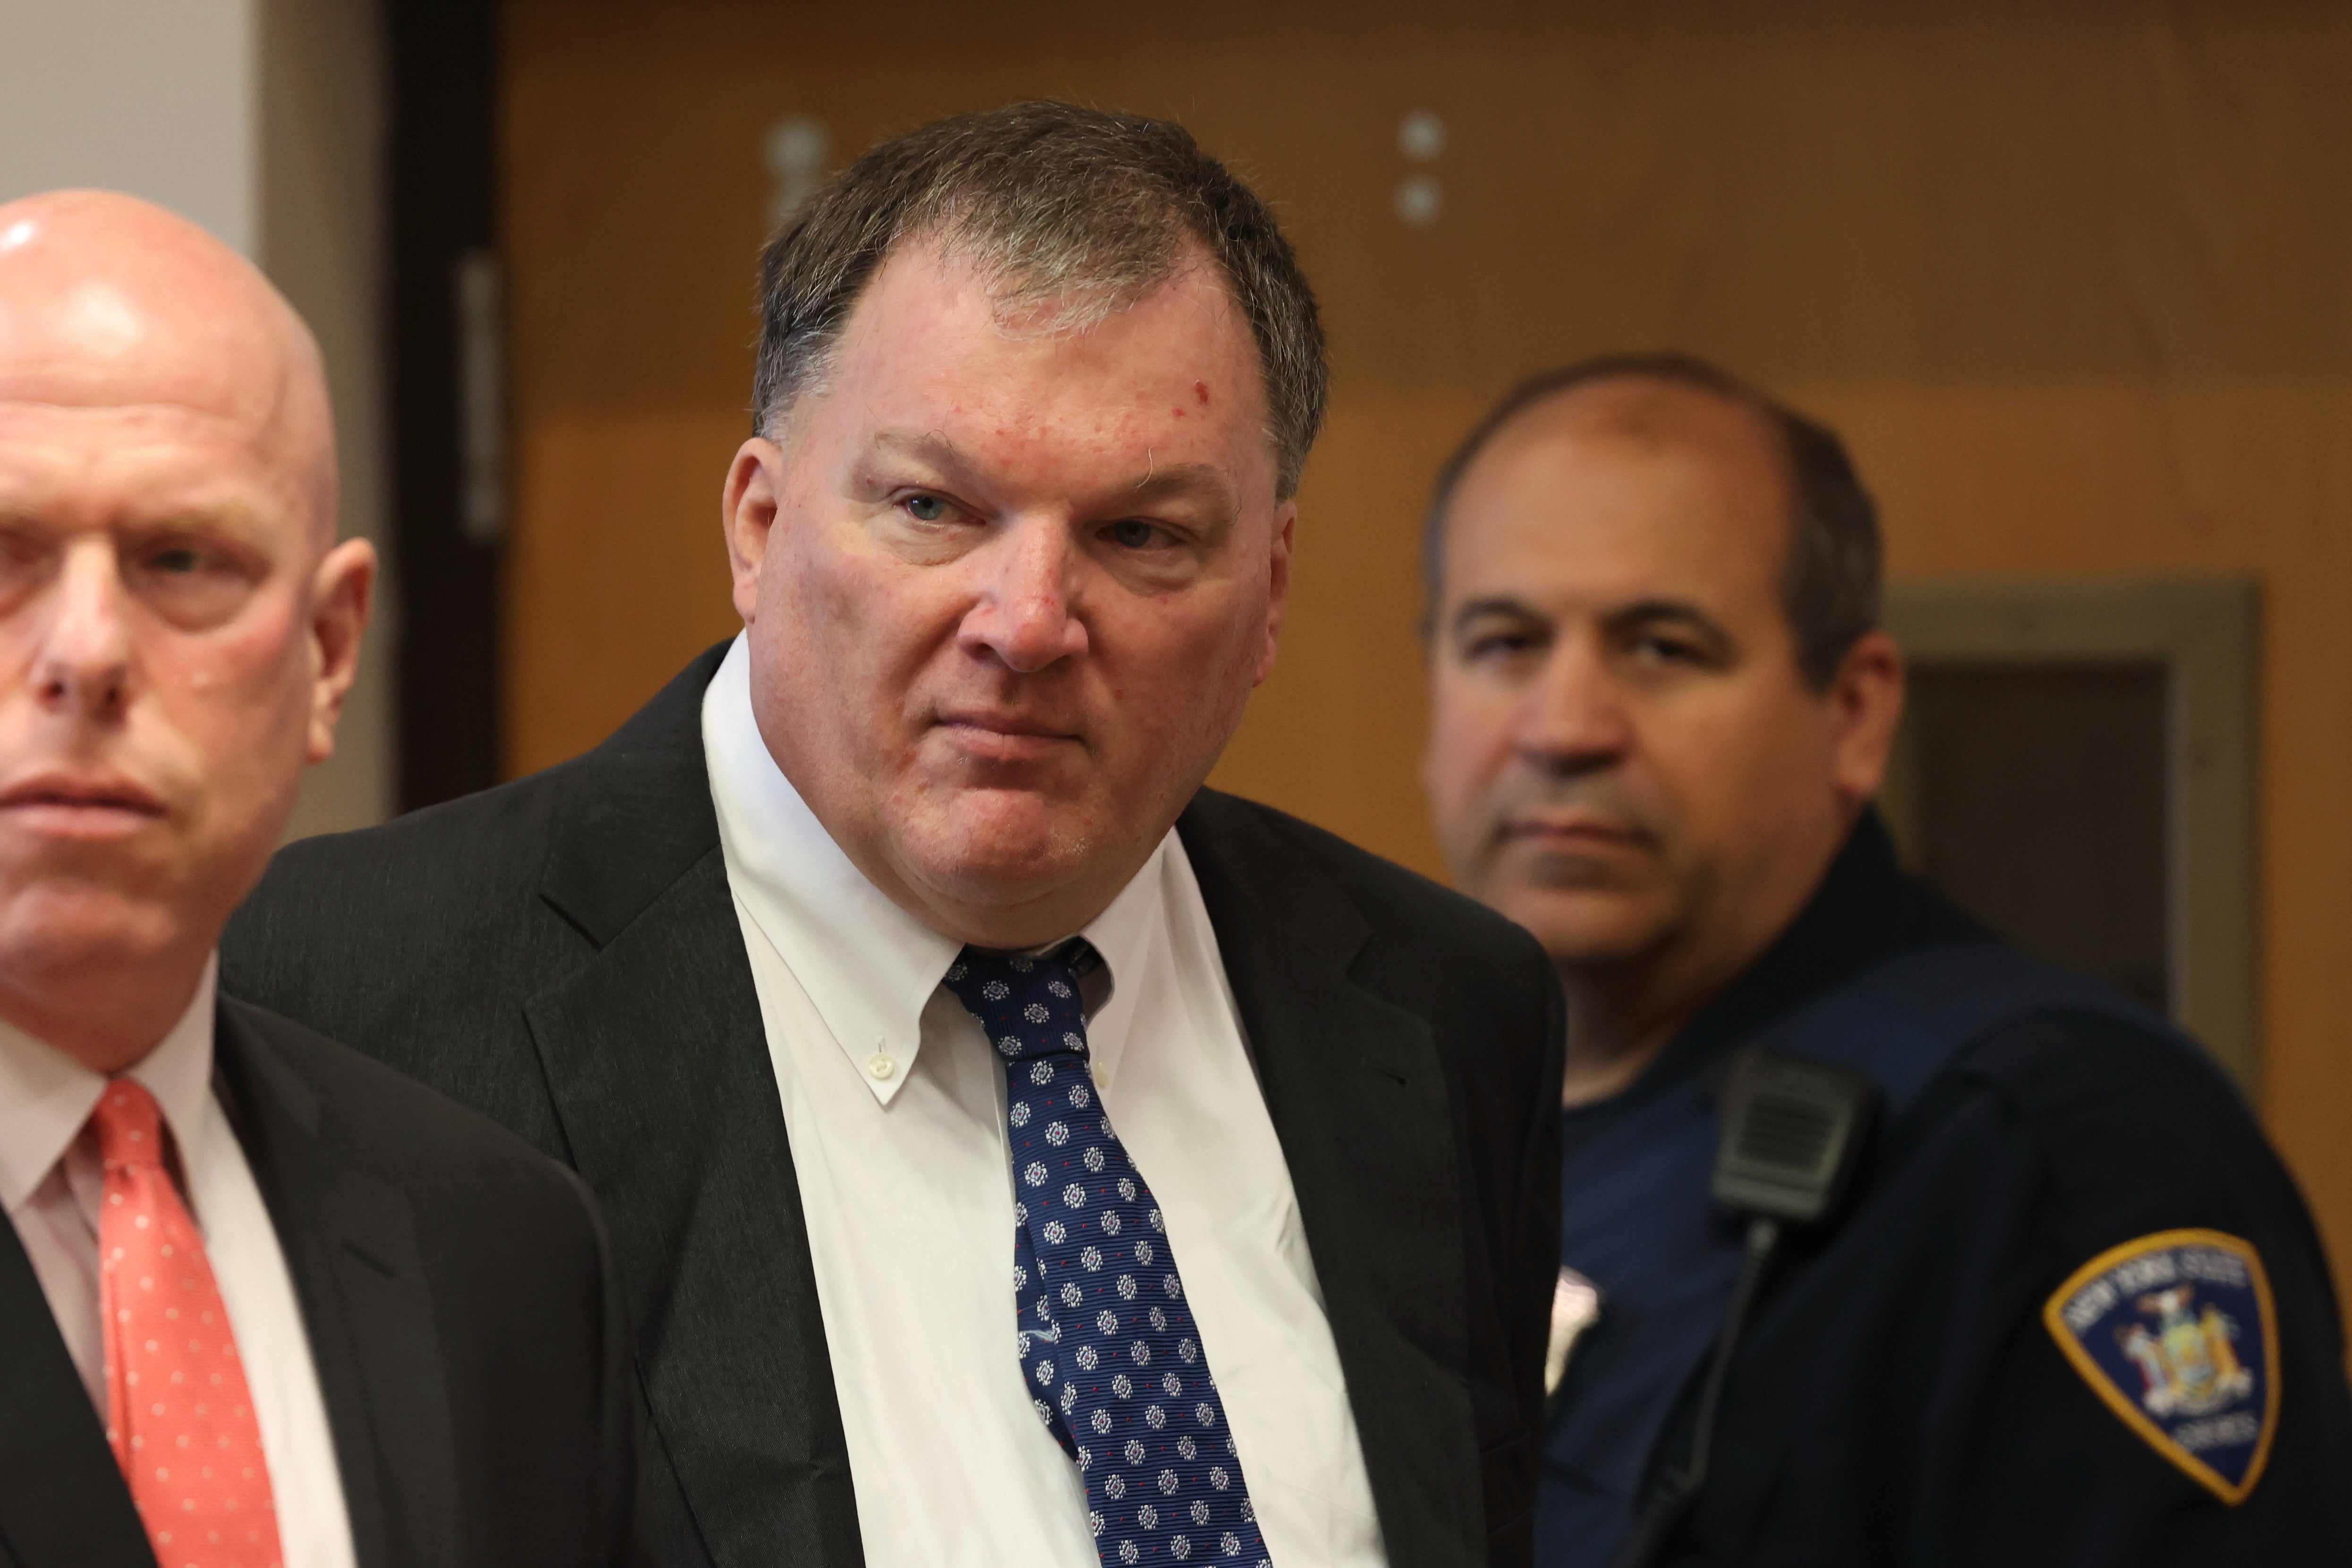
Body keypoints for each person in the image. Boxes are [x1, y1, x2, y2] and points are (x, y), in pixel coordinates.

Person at [221, 102, 1563, 1568]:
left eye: (1143, 536)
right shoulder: (343, 994)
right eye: (932, 507)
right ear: (757, 523)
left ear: (1273, 588)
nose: (1030, 623)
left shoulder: (1443, 1015)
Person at [1420, 353, 2352, 1566]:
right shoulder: (1400, 1122)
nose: (1563, 727)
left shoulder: (2062, 1153)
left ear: (1853, 713)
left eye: (1661, 647)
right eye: (1503, 642)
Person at [0, 191, 633, 1568]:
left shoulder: (500, 1249)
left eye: (183, 562)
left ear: (328, 654)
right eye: (3, 558)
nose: (87, 651)